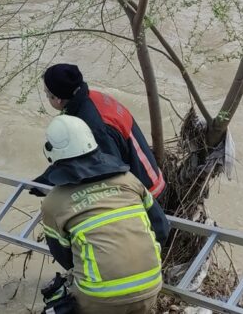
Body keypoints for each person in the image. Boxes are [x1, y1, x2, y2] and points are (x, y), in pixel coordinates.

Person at [34, 63, 170, 246]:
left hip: (143, 189)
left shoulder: (94, 126)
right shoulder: (91, 98)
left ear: (57, 99)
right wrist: (47, 179)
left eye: (46, 94)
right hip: (147, 174)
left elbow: (105, 170)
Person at [39, 115, 162, 314]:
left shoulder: (54, 203)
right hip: (151, 286)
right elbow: (161, 227)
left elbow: (65, 257)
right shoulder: (129, 181)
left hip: (99, 300)